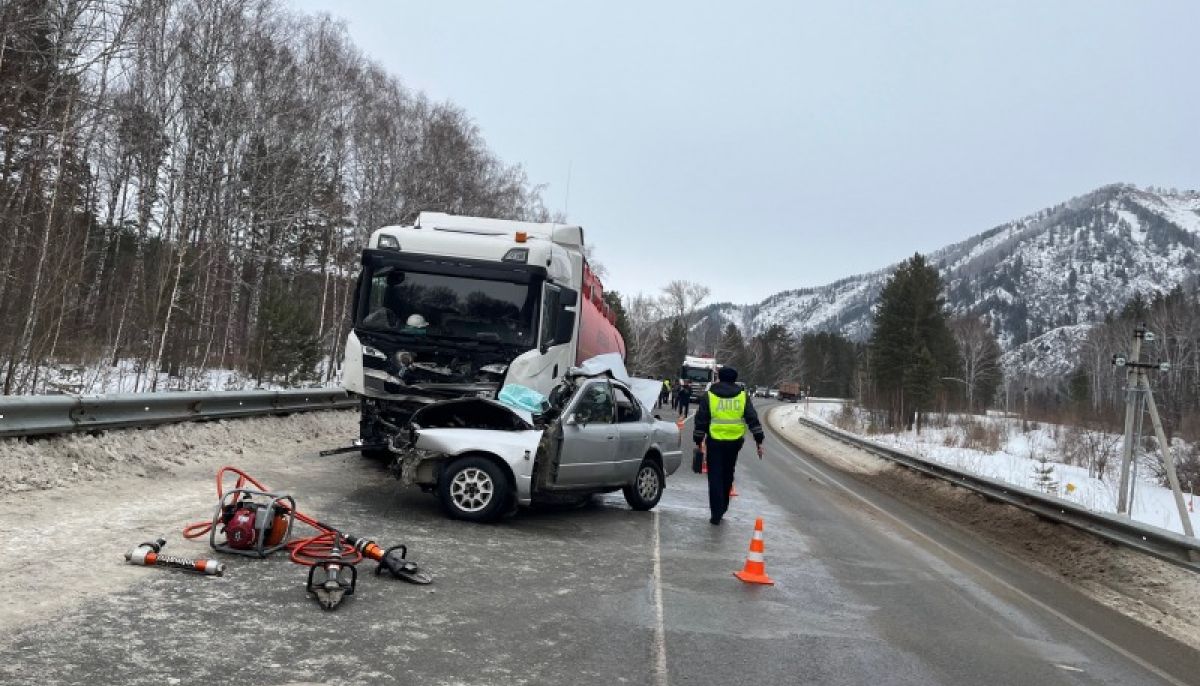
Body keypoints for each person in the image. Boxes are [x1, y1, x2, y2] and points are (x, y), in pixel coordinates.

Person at [693, 366, 764, 525]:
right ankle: (723, 506)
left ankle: (716, 513)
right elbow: (752, 418)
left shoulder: (710, 395)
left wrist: (698, 439)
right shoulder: (742, 396)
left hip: (715, 440)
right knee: (728, 473)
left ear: (719, 377)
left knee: (715, 476)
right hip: (735, 441)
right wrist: (759, 439)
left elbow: (702, 419)